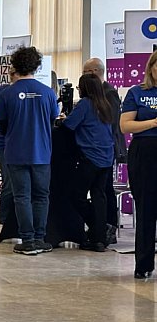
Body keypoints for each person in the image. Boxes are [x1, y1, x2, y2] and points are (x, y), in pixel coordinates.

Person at [0, 46, 59, 255]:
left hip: (15, 151)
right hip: (41, 152)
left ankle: (28, 239)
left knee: (21, 196)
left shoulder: (7, 94)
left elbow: (2, 124)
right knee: (42, 196)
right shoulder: (48, 93)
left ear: (15, 66)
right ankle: (40, 238)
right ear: (37, 66)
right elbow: (52, 120)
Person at [63, 73, 114, 252]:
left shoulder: (85, 104)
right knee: (99, 196)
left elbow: (68, 125)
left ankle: (97, 227)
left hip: (90, 157)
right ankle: (99, 237)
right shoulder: (105, 105)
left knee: (76, 194)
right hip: (107, 157)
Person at [120, 49, 157, 279]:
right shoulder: (137, 93)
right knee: (146, 208)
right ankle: (143, 264)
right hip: (144, 151)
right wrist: (153, 122)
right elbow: (125, 126)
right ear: (151, 67)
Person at [82, 57, 125, 245]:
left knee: (105, 190)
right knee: (101, 190)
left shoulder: (109, 93)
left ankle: (109, 226)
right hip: (100, 149)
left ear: (94, 72)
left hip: (106, 149)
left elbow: (112, 122)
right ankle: (101, 226)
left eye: (85, 73)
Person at [0, 68, 19, 227]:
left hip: (23, 144)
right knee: (8, 181)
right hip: (5, 143)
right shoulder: (2, 91)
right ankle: (5, 219)